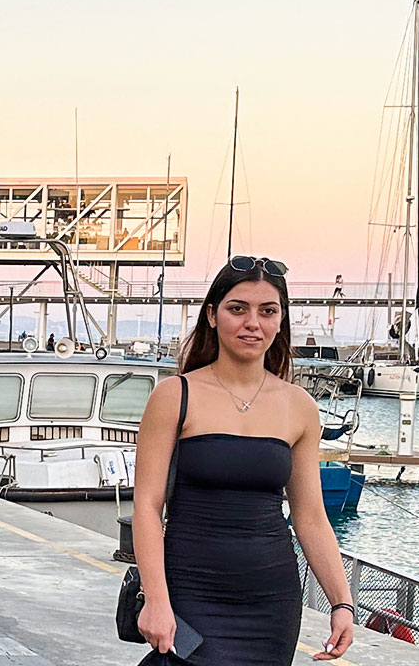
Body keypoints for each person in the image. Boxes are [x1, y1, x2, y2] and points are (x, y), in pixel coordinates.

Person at [132, 255, 356, 664]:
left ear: (280, 321)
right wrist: (156, 600)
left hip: (270, 603)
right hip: (189, 592)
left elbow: (310, 517)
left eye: (267, 311)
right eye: (238, 309)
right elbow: (147, 507)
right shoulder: (174, 396)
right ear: (213, 316)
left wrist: (342, 603)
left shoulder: (300, 407)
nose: (253, 322)